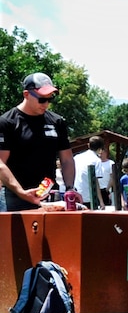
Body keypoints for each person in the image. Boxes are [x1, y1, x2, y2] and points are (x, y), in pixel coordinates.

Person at [0, 73, 76, 211]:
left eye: (50, 99)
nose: (46, 104)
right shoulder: (7, 122)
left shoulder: (57, 121)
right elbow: (0, 163)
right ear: (26, 94)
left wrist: (70, 189)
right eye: (42, 99)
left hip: (50, 196)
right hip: (16, 197)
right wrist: (21, 192)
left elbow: (66, 159)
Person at [73, 136, 111, 209]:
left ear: (88, 145)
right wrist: (101, 201)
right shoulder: (96, 160)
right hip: (89, 198)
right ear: (100, 149)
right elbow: (95, 182)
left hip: (75, 195)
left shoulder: (77, 157)